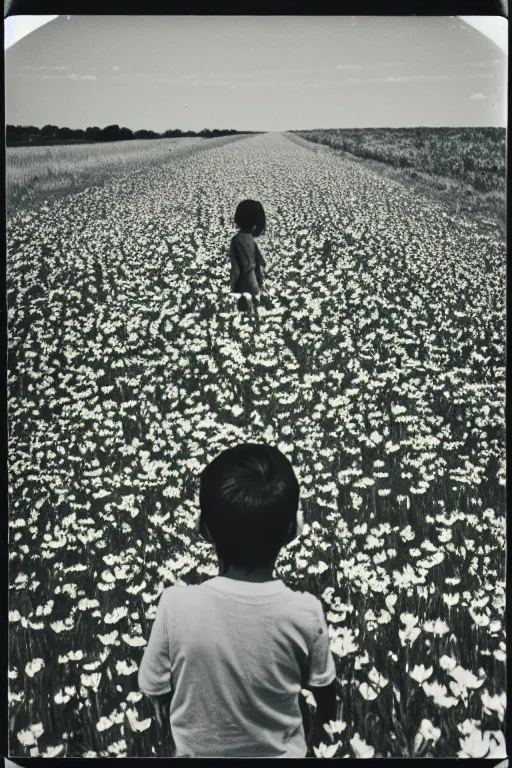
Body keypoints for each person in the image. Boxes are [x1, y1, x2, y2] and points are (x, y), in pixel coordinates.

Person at [138, 443, 337, 758]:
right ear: (294, 530)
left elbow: (155, 690)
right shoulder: (305, 613)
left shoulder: (174, 605)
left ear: (202, 528)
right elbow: (326, 699)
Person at [229, 199, 267, 317]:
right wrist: (256, 291)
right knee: (247, 317)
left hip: (245, 288)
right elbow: (248, 268)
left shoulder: (239, 239)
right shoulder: (245, 241)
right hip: (248, 289)